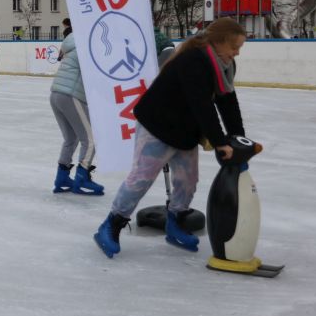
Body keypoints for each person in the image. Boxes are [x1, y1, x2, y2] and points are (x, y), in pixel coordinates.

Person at [94, 17, 249, 259]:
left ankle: (175, 222)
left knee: (188, 181)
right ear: (218, 42)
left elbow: (228, 102)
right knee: (141, 179)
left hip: (185, 129)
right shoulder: (194, 60)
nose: (237, 52)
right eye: (234, 47)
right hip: (157, 125)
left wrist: (238, 139)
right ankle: (112, 223)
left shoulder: (224, 66)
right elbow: (202, 105)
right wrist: (220, 141)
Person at [49, 33, 102, 195]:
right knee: (91, 140)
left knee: (71, 138)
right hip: (71, 95)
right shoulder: (86, 47)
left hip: (56, 94)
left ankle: (62, 177)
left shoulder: (73, 44)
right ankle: (82, 177)